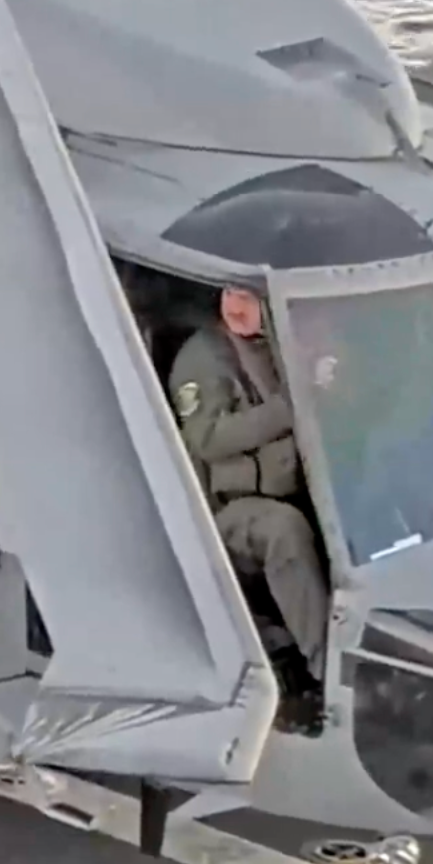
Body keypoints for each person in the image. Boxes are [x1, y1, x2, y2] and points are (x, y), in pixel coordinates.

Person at [168, 284, 329, 722]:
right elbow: (207, 439)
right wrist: (288, 407)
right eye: (230, 293)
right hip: (227, 511)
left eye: (249, 296)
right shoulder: (204, 357)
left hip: (296, 489)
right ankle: (329, 671)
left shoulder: (283, 345)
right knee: (284, 531)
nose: (236, 307)